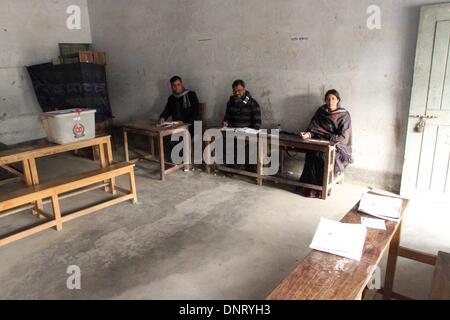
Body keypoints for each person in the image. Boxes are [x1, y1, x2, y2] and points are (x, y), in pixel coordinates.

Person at [298, 89, 353, 198]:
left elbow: (343, 136)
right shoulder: (321, 111)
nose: (330, 101)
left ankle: (321, 189)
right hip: (319, 142)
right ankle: (308, 188)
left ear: (338, 100)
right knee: (312, 153)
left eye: (333, 99)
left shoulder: (344, 115)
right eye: (328, 99)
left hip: (336, 145)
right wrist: (308, 135)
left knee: (322, 156)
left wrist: (329, 140)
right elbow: (314, 129)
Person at [159, 76, 200, 163]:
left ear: (182, 84)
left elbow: (196, 113)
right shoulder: (171, 98)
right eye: (174, 85)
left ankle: (180, 160)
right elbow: (167, 111)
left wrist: (184, 123)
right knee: (164, 135)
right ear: (171, 87)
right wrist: (162, 117)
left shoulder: (191, 95)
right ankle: (172, 159)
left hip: (191, 126)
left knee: (179, 137)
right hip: (176, 126)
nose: (176, 87)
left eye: (178, 84)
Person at [222, 80, 262, 168]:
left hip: (247, 135)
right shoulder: (231, 103)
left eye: (239, 90)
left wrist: (247, 133)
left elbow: (257, 124)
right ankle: (231, 167)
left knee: (247, 144)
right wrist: (225, 124)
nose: (237, 93)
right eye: (235, 91)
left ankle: (241, 166)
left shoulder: (253, 103)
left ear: (244, 89)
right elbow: (227, 118)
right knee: (222, 139)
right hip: (233, 133)